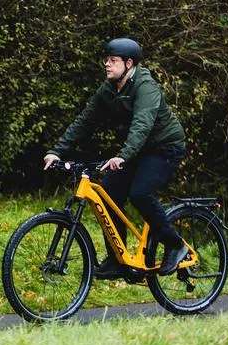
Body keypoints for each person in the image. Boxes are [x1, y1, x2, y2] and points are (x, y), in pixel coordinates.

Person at [43, 38, 189, 278]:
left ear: (129, 63)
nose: (107, 65)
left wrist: (123, 155)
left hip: (165, 148)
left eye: (113, 61)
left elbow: (142, 124)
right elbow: (85, 120)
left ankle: (175, 244)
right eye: (106, 60)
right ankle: (117, 259)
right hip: (137, 149)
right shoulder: (109, 88)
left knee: (141, 193)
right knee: (107, 193)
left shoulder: (145, 86)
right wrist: (57, 151)